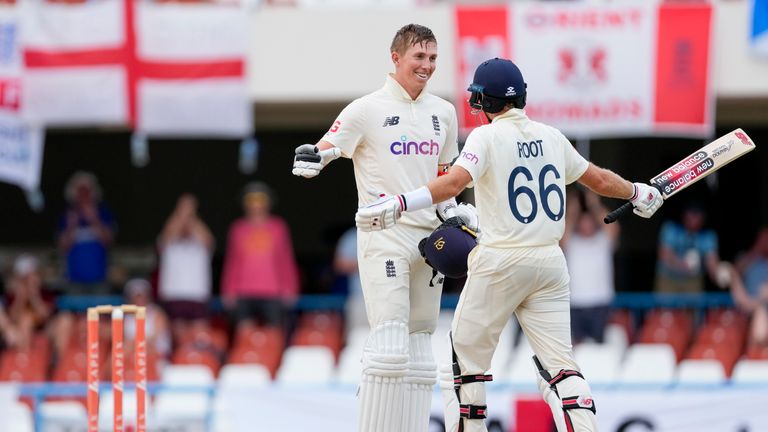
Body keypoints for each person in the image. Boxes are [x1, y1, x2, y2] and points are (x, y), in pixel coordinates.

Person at [355, 58, 664, 432]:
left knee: (462, 366)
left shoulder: (486, 137)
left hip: (501, 259)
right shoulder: (552, 136)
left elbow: (453, 184)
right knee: (561, 366)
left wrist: (400, 202)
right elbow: (597, 179)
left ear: (485, 102)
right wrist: (637, 191)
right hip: (551, 262)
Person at [292, 24, 474, 432]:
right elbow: (324, 149)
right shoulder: (366, 108)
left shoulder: (443, 111)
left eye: (432, 58)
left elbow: (445, 177)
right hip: (384, 233)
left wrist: (454, 212)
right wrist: (311, 158)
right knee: (389, 347)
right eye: (419, 57)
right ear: (396, 58)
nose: (427, 66)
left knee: (421, 349)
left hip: (432, 240)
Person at [220, 182, 299, 329]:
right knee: (244, 334)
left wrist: (290, 287)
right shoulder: (237, 228)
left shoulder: (278, 227)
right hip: (243, 291)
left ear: (268, 202)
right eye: (251, 199)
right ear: (245, 203)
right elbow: (232, 261)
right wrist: (228, 289)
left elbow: (285, 260)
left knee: (273, 334)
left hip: (272, 291)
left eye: (260, 199)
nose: (256, 204)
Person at [561, 189, 619, 344]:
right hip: (576, 303)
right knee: (575, 348)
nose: (586, 224)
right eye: (583, 220)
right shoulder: (572, 242)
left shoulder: (603, 241)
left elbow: (612, 226)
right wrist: (573, 209)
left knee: (600, 349)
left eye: (589, 220)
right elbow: (564, 231)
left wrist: (594, 204)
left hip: (600, 302)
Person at [157, 193, 215, 337]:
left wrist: (191, 214)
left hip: (197, 294)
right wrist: (181, 211)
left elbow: (208, 240)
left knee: (199, 334)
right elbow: (167, 234)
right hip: (173, 293)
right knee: (177, 335)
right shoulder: (169, 243)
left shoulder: (201, 243)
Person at [57, 171, 116, 293]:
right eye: (80, 191)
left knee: (101, 310)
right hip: (74, 280)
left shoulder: (103, 213)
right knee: (73, 310)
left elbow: (108, 241)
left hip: (100, 279)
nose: (83, 195)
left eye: (87, 191)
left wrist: (95, 220)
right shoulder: (68, 215)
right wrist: (71, 226)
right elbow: (63, 246)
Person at [654, 202, 720, 293]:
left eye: (697, 215)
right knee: (665, 306)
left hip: (693, 280)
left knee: (692, 306)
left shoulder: (708, 236)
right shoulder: (671, 228)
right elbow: (664, 254)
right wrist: (682, 265)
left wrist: (720, 273)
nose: (694, 219)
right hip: (668, 278)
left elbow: (712, 263)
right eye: (691, 214)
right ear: (684, 215)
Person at [728, 227, 768, 345]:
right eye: (764, 239)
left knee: (761, 310)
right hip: (747, 305)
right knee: (760, 311)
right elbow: (734, 272)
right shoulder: (747, 257)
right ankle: (754, 352)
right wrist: (756, 251)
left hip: (764, 304)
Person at [333, 227, 367, 334]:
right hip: (359, 299)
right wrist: (370, 263)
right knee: (357, 339)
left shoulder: (389, 233)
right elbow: (339, 265)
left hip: (388, 299)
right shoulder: (353, 236)